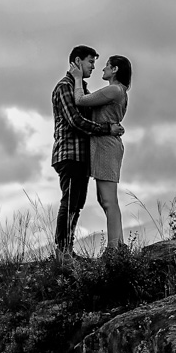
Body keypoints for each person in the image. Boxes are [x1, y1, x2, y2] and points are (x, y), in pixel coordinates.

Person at [51, 46, 125, 254]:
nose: (94, 67)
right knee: (70, 201)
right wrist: (107, 128)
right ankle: (63, 251)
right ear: (77, 61)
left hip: (82, 155)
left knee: (77, 203)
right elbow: (76, 121)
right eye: (90, 62)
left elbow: (92, 109)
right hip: (69, 152)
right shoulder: (65, 87)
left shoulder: (80, 87)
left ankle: (67, 250)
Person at [73, 54, 132, 250]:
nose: (102, 69)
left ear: (115, 70)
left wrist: (77, 78)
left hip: (107, 146)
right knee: (105, 199)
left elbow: (81, 100)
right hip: (104, 145)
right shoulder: (117, 91)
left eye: (107, 66)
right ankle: (119, 245)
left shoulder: (114, 89)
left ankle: (114, 249)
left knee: (108, 199)